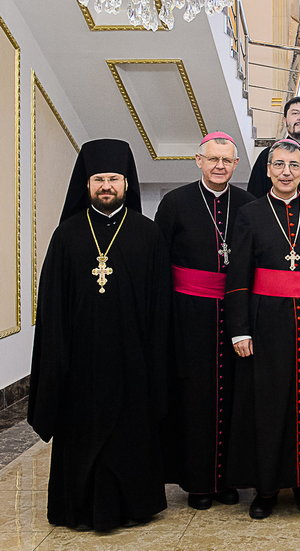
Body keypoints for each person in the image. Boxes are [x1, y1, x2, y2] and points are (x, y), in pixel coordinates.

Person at [28, 139, 169, 531]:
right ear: (86, 184)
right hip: (80, 362)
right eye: (99, 179)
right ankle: (77, 506)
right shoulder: (67, 235)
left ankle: (134, 505)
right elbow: (52, 307)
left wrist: (156, 363)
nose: (106, 186)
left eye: (114, 179)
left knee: (130, 434)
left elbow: (160, 310)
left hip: (133, 360)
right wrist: (57, 361)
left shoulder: (148, 234)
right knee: (82, 434)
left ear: (127, 183)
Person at [224, 138, 300, 519]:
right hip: (265, 321)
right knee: (267, 405)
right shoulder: (250, 212)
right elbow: (238, 275)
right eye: (279, 165)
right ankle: (266, 489)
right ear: (268, 169)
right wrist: (240, 329)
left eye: (293, 165)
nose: (286, 171)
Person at [155, 132, 255, 510]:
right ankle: (197, 482)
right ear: (199, 160)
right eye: (213, 159)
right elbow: (159, 264)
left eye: (227, 161)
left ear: (236, 165)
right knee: (193, 398)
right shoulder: (175, 203)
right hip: (188, 316)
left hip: (234, 314)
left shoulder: (247, 204)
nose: (219, 166)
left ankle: (228, 480)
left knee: (233, 396)